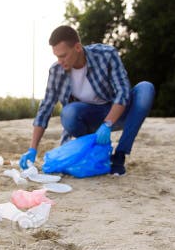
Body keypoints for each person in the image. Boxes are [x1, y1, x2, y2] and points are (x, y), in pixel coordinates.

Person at [21, 25, 155, 176]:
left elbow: (123, 92)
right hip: (90, 118)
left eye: (63, 55)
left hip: (117, 112)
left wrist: (108, 124)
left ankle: (119, 155)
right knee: (69, 113)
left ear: (77, 47)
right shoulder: (56, 71)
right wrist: (32, 148)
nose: (60, 61)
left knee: (146, 89)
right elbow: (45, 108)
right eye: (57, 56)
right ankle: (93, 151)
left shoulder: (107, 55)